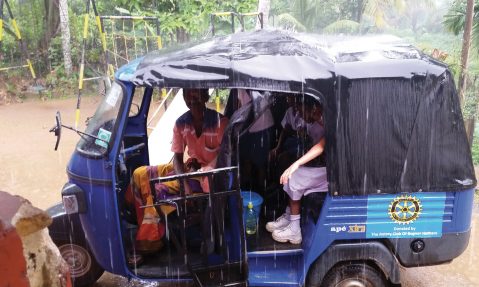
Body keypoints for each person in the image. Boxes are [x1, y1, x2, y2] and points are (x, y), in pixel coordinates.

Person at [128, 88, 228, 259]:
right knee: (140, 174)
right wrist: (183, 182)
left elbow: (223, 156)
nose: (191, 99)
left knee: (157, 191)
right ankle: (138, 221)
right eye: (187, 95)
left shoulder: (221, 122)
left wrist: (200, 174)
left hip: (210, 174)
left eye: (196, 95)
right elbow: (178, 157)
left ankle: (149, 242)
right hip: (191, 169)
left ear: (205, 96)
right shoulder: (181, 123)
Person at [265, 99, 327, 244]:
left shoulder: (331, 121)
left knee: (295, 175)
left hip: (335, 174)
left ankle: (294, 230)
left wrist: (296, 165)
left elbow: (321, 146)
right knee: (291, 173)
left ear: (314, 109)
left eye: (301, 110)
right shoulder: (314, 122)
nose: (298, 114)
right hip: (324, 167)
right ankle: (289, 216)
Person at [237, 89, 275, 194]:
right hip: (246, 126)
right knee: (246, 159)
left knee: (260, 162)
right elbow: (240, 104)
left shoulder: (254, 83)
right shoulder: (238, 83)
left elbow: (266, 101)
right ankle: (247, 190)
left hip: (263, 124)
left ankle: (261, 192)